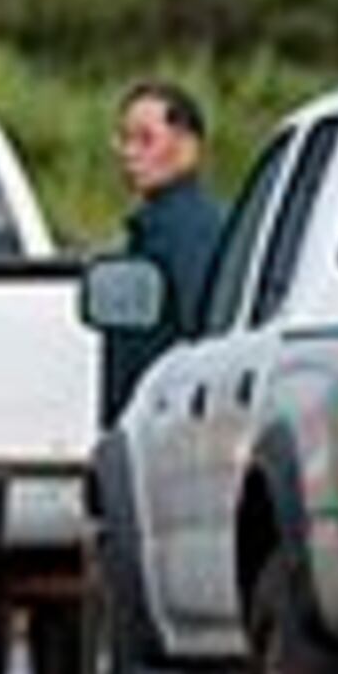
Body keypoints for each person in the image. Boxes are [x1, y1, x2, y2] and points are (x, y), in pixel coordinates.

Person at [102, 78, 230, 425]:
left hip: (170, 422)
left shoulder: (190, 229)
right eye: (124, 139)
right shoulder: (155, 224)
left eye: (145, 139)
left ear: (188, 146)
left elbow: (202, 331)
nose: (130, 152)